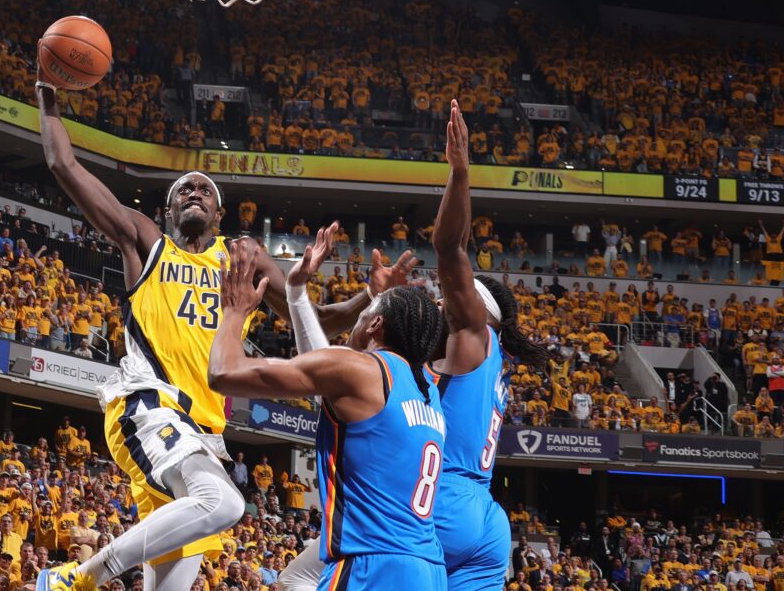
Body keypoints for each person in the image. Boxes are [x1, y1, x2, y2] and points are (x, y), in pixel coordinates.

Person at [33, 75, 410, 591]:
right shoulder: (147, 243)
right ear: (167, 211)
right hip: (150, 406)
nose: (194, 192)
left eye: (204, 190)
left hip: (202, 436)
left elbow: (316, 318)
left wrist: (370, 294)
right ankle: (77, 577)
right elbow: (64, 165)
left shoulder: (242, 259)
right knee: (226, 503)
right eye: (182, 190)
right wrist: (47, 96)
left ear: (219, 212)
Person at [208, 241, 447, 590]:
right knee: (293, 579)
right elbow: (330, 369)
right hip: (429, 569)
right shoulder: (428, 391)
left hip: (373, 565)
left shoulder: (361, 371)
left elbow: (224, 373)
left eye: (367, 312)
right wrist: (298, 293)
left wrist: (234, 312)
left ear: (375, 323)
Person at [428, 102, 551, 591]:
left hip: (444, 499)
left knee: (306, 576)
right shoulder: (494, 362)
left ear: (473, 309)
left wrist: (460, 174)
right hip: (487, 518)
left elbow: (450, 248)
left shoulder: (473, 335)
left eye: (447, 298)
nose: (440, 303)